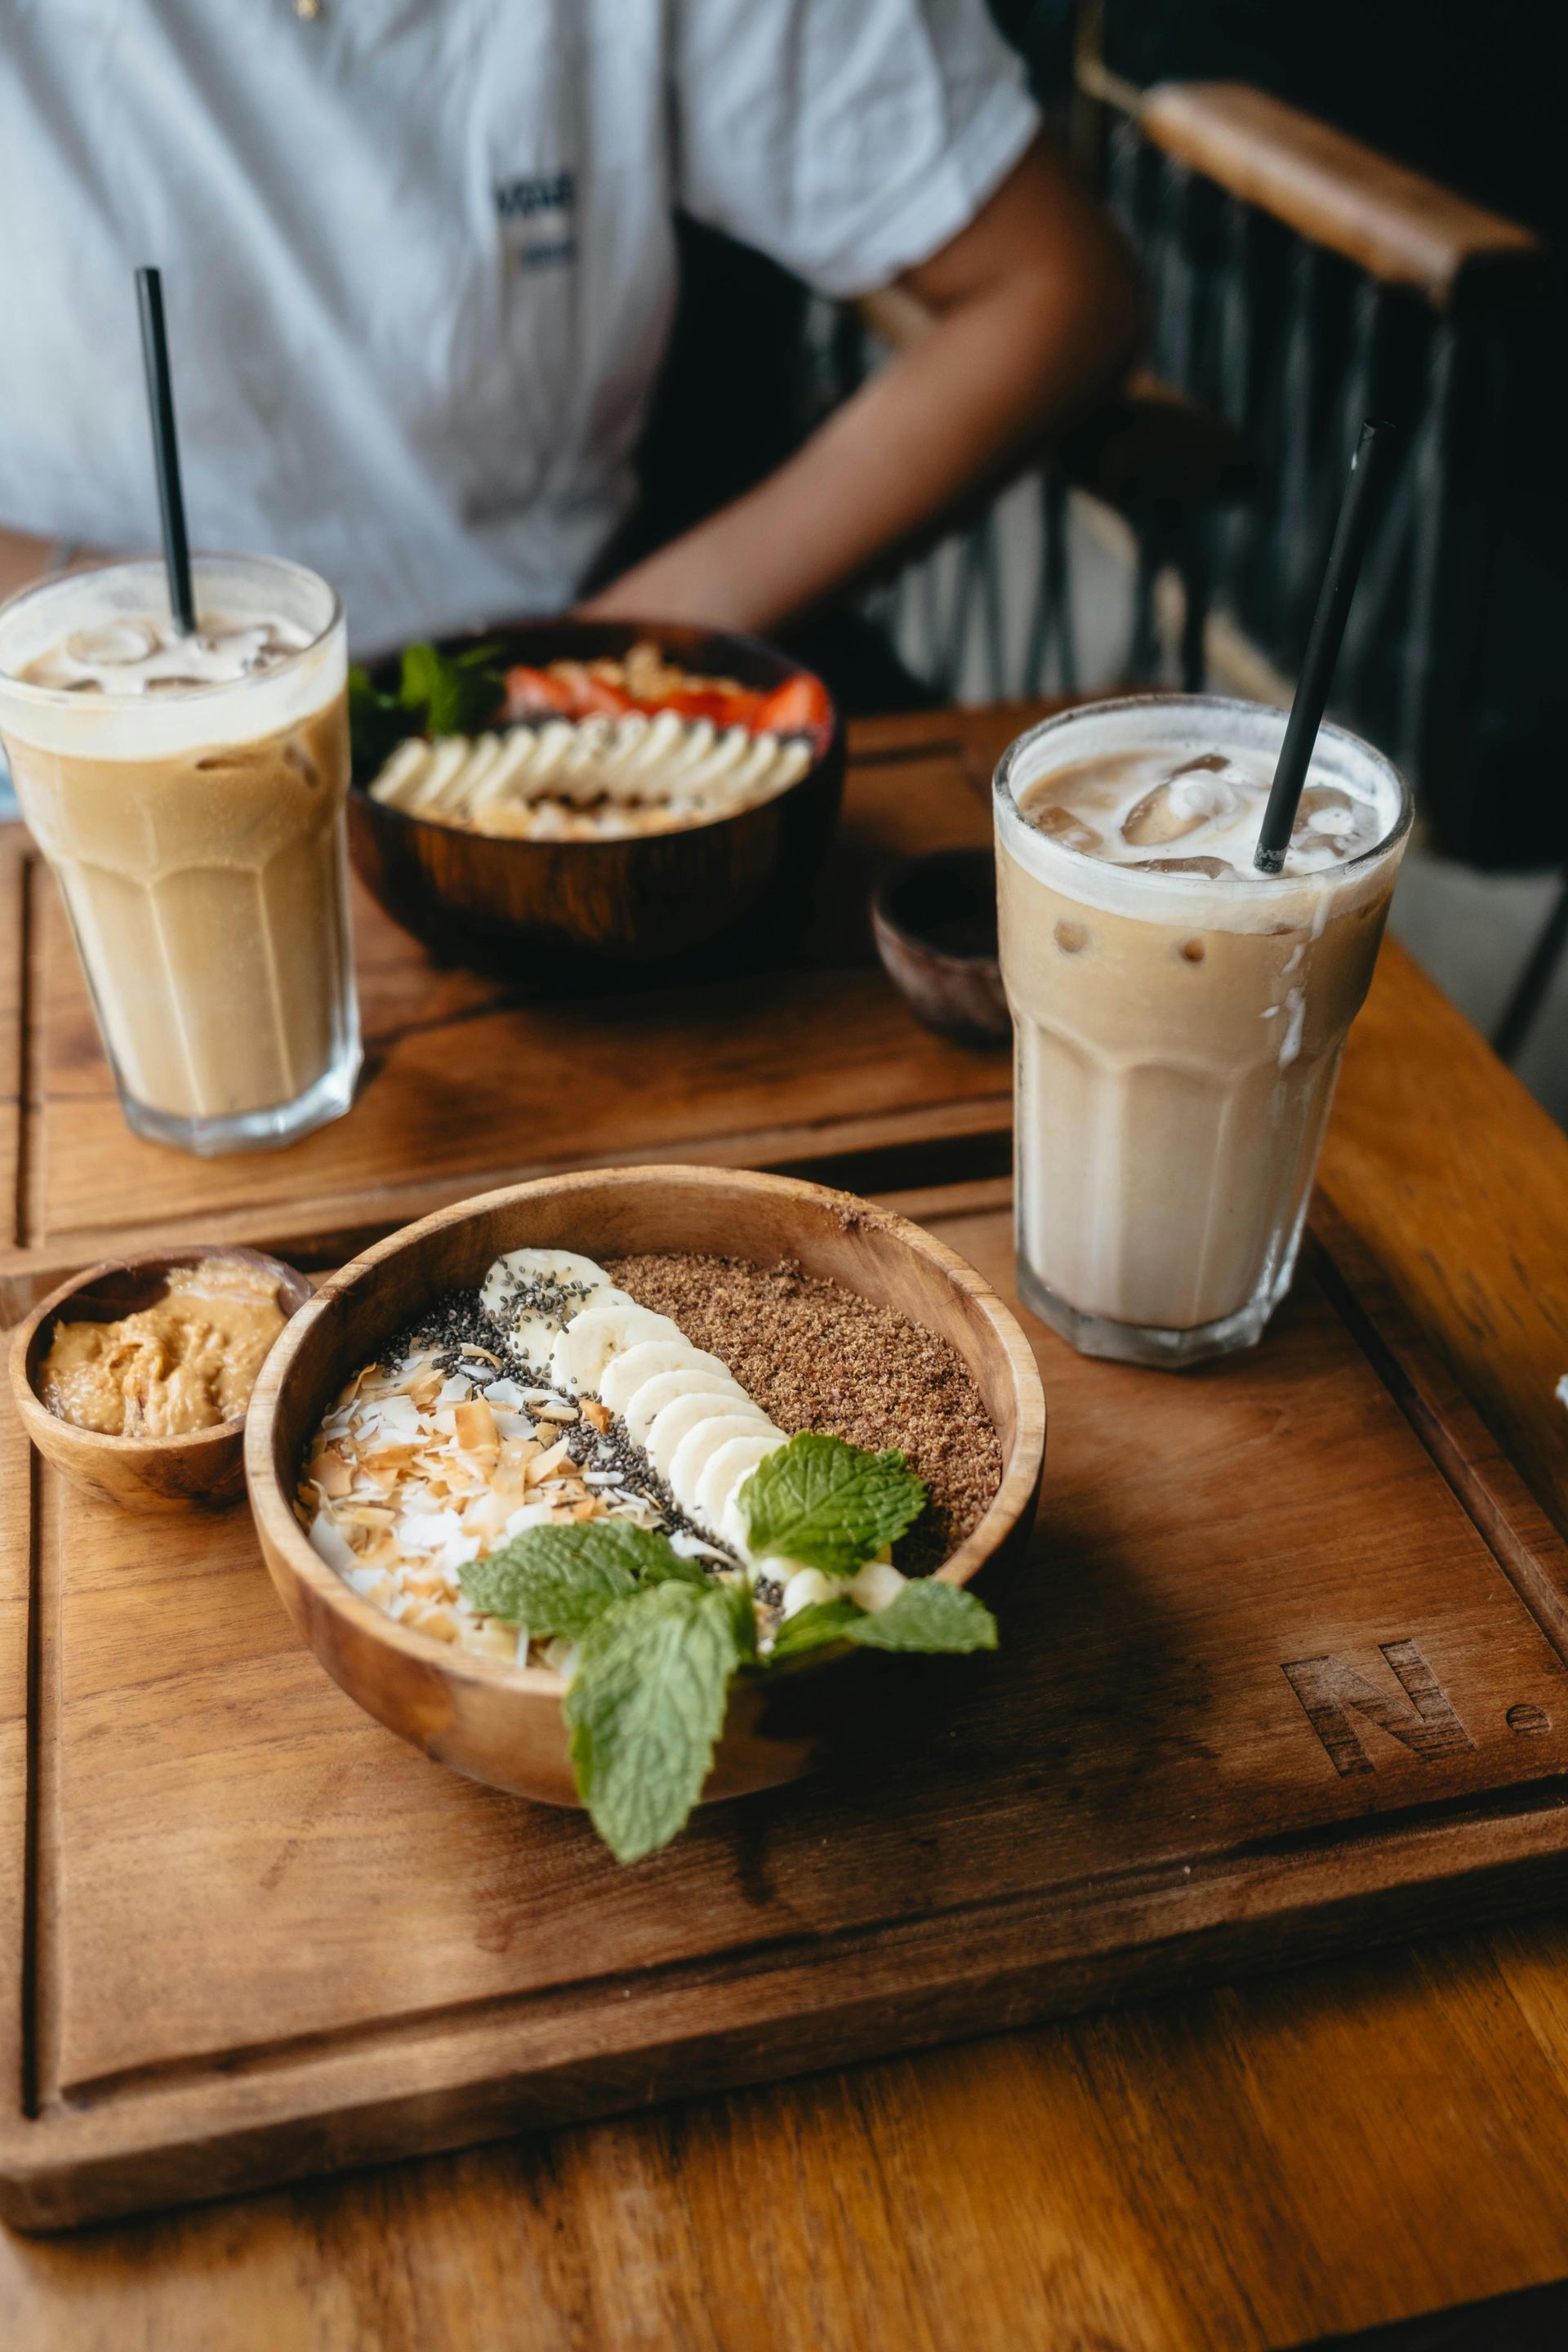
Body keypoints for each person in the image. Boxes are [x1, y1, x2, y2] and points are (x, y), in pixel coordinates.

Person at [0, 0, 1139, 656]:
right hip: (62, 711)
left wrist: (596, 669)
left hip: (522, 682)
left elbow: (1052, 285)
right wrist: (98, 633)